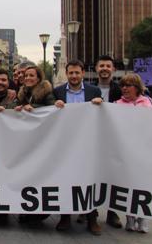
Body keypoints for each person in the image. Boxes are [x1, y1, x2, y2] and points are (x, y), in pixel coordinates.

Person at [53, 60, 103, 235]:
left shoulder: (94, 91)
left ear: (83, 73)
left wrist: (100, 103)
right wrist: (54, 106)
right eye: (71, 73)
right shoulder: (57, 92)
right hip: (65, 144)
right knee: (66, 179)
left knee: (88, 180)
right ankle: (65, 216)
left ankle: (92, 218)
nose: (74, 76)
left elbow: (102, 115)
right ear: (66, 74)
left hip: (87, 143)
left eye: (77, 73)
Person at [14, 64, 55, 227]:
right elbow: (16, 108)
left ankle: (40, 212)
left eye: (32, 75)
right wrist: (15, 108)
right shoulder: (22, 92)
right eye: (26, 76)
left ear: (39, 78)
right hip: (25, 141)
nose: (29, 78)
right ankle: (26, 210)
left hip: (42, 140)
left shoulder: (46, 92)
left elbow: (51, 110)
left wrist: (35, 108)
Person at [115, 73, 152, 233]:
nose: (124, 88)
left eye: (128, 85)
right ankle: (130, 218)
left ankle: (143, 219)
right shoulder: (117, 104)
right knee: (128, 186)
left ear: (137, 88)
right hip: (126, 152)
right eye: (123, 85)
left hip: (144, 152)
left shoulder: (148, 103)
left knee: (143, 187)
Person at [92, 55, 122, 228]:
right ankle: (90, 211)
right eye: (101, 65)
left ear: (113, 69)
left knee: (113, 174)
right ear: (96, 68)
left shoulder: (119, 90)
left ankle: (113, 212)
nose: (104, 68)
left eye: (108, 66)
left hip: (113, 139)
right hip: (92, 139)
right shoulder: (89, 90)